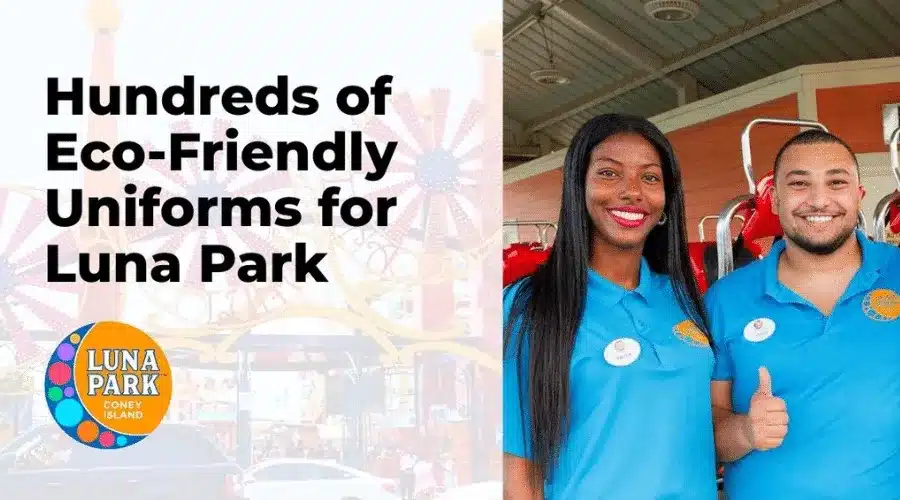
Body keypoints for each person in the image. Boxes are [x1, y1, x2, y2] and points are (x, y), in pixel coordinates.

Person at [503, 113, 718, 499]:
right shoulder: (530, 304)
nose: (632, 191)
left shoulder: (684, 298)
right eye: (609, 173)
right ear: (578, 188)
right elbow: (517, 466)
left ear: (666, 201)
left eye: (650, 178)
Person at [708, 129, 900, 499]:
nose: (818, 200)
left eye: (836, 182)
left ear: (857, 196)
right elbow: (706, 434)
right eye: (799, 184)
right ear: (775, 201)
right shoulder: (726, 300)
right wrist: (746, 431)